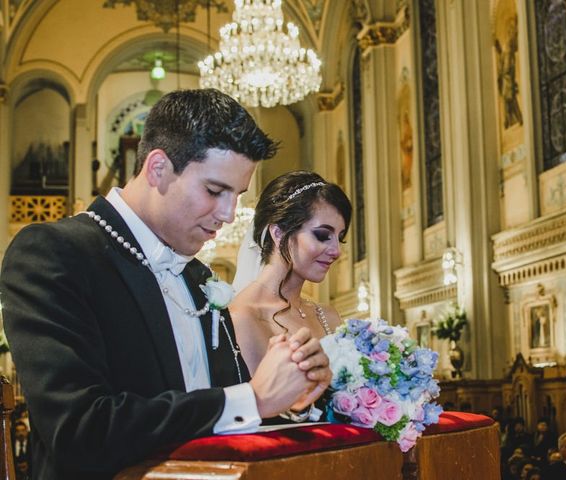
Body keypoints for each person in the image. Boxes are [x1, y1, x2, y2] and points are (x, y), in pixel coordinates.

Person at [0, 89, 332, 480]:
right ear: (158, 168)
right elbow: (79, 429)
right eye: (214, 190)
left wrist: (291, 393)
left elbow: (225, 402)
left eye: (237, 195)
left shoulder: (200, 278)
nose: (227, 214)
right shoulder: (55, 254)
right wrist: (254, 399)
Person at [230, 170, 352, 375]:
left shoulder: (328, 315)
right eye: (323, 235)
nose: (336, 252)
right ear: (278, 233)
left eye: (339, 238)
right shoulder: (243, 316)